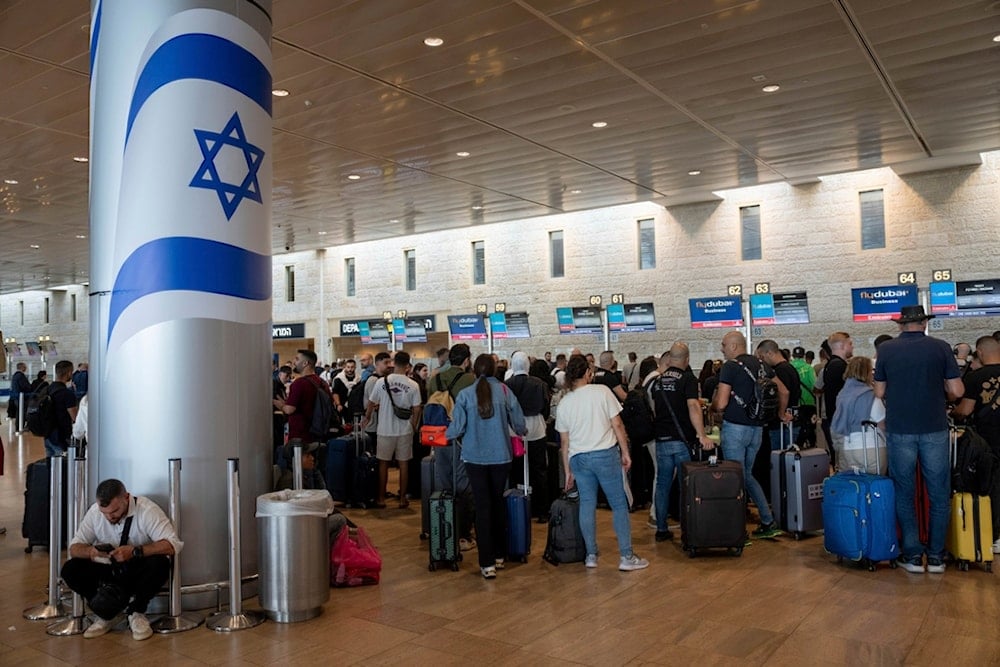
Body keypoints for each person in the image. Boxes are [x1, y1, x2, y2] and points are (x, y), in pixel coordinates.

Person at [874, 305, 963, 574]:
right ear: (924, 323)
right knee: (939, 493)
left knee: (904, 492)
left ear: (900, 325)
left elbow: (879, 391)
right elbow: (957, 390)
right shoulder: (941, 347)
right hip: (935, 427)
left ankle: (912, 556)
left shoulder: (887, 350)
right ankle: (936, 556)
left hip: (900, 428)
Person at [556, 354, 649, 571]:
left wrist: (568, 470)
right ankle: (626, 556)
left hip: (579, 458)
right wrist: (625, 452)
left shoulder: (565, 402)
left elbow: (564, 441)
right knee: (618, 504)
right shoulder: (602, 392)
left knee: (587, 504)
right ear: (588, 373)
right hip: (605, 454)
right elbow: (617, 424)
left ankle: (590, 555)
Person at [62, 478, 182, 641]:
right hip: (108, 569)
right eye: (105, 513)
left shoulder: (147, 510)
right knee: (71, 569)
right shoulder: (95, 513)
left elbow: (172, 545)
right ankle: (106, 611)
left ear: (126, 498)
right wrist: (91, 551)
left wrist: (136, 551)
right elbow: (74, 548)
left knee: (160, 564)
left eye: (115, 511)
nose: (110, 517)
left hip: (137, 568)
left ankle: (136, 611)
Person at [446, 354, 527, 579]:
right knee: (498, 504)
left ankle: (486, 563)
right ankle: (500, 555)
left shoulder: (464, 395)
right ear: (494, 370)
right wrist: (521, 431)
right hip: (501, 456)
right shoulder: (504, 391)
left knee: (482, 507)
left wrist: (447, 431)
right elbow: (519, 423)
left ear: (474, 370)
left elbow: (456, 429)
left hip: (473, 458)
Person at [713, 331, 782, 538]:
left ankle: (736, 530)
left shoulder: (730, 367)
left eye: (724, 344)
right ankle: (768, 521)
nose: (722, 349)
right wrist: (780, 413)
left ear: (734, 346)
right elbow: (783, 390)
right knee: (746, 475)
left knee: (735, 477)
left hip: (735, 428)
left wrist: (714, 406)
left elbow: (723, 403)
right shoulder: (763, 365)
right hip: (757, 428)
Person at [648, 343, 714, 542]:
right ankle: (688, 528)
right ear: (686, 359)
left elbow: (653, 408)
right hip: (682, 440)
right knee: (686, 485)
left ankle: (661, 528)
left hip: (662, 439)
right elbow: (693, 405)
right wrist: (701, 434)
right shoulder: (687, 379)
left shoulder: (658, 381)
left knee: (662, 485)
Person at [951, 335, 1000, 554]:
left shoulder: (975, 378)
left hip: (989, 438)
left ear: (979, 353)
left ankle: (996, 536)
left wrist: (952, 412)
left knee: (994, 485)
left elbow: (965, 411)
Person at [431, 344, 476, 550]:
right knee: (463, 485)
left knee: (443, 483)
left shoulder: (435, 378)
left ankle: (442, 530)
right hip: (461, 437)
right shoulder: (469, 380)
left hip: (438, 437)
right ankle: (463, 535)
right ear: (466, 360)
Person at [364, 351, 422, 508]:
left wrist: (367, 418)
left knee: (383, 464)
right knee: (404, 464)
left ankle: (381, 498)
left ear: (394, 363)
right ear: (408, 365)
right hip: (405, 430)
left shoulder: (381, 382)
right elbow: (417, 409)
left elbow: (371, 403)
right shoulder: (413, 385)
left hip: (384, 429)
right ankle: (402, 498)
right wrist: (413, 425)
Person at [506, 351, 551, 522]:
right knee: (539, 470)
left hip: (514, 432)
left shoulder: (507, 384)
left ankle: (518, 507)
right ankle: (542, 511)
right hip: (537, 429)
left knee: (516, 470)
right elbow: (545, 408)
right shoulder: (539, 383)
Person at [829, 356, 887, 474]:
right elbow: (882, 424)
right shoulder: (870, 395)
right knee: (875, 487)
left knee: (852, 487)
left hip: (846, 448)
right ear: (868, 372)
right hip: (871, 448)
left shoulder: (843, 394)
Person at [272, 349, 332, 447]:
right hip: (319, 434)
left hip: (300, 437)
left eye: (297, 359)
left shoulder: (299, 384)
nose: (294, 362)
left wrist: (276, 403)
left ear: (305, 363)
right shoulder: (322, 383)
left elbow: (289, 409)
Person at [756, 339, 798, 450]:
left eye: (761, 357)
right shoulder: (789, 368)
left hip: (782, 425)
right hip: (788, 422)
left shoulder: (780, 371)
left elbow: (784, 392)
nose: (761, 361)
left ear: (769, 353)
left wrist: (781, 413)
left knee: (780, 458)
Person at [818, 332, 853, 464]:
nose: (852, 347)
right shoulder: (839, 366)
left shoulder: (830, 365)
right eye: (850, 344)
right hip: (842, 421)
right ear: (842, 346)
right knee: (845, 461)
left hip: (835, 419)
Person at [43, 360, 78, 458]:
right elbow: (75, 417)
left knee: (51, 467)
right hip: (62, 436)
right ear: (69, 373)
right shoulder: (67, 393)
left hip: (48, 434)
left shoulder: (48, 389)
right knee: (63, 468)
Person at [790, 346, 817, 447]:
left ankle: (796, 443)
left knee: (795, 424)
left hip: (793, 402)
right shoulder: (808, 368)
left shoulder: (789, 367)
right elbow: (814, 384)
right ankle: (810, 443)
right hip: (808, 401)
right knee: (808, 423)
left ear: (793, 356)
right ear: (803, 356)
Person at [7, 362, 31, 429]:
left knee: (19, 412)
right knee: (21, 412)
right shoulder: (20, 376)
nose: (26, 368)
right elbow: (25, 386)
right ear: (22, 367)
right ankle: (20, 427)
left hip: (16, 397)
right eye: (25, 366)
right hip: (21, 397)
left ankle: (19, 426)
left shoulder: (15, 376)